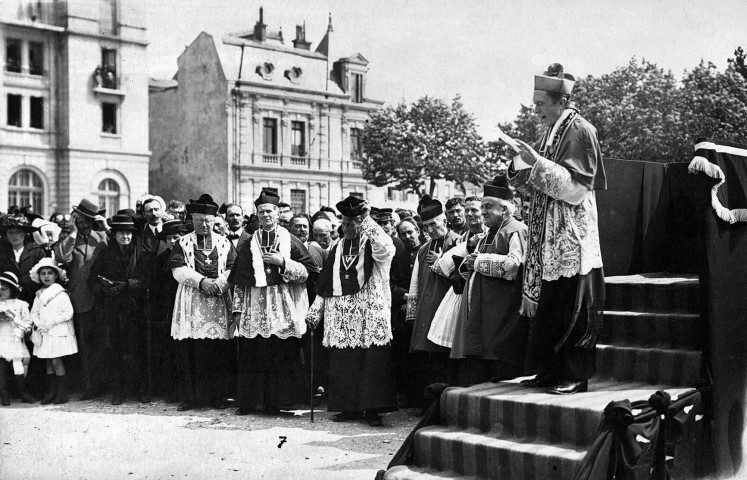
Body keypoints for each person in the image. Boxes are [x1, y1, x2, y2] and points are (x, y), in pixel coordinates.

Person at [510, 63, 607, 395]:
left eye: (540, 104)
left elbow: (577, 188)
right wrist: (520, 166)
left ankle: (574, 374)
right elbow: (535, 183)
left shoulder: (581, 131)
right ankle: (548, 370)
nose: (536, 111)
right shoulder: (548, 131)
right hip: (543, 235)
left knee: (571, 308)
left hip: (570, 236)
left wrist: (537, 164)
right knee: (550, 307)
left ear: (559, 101)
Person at [306, 196, 397, 427]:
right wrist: (315, 311)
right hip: (341, 312)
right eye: (345, 223)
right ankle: (348, 408)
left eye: (353, 222)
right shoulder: (337, 247)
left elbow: (387, 249)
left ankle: (373, 410)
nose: (348, 227)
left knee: (371, 361)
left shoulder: (372, 243)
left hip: (369, 309)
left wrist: (366, 219)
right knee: (345, 362)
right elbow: (325, 283)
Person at [229, 190, 314, 415]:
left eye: (269, 211)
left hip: (282, 303)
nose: (266, 215)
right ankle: (249, 401)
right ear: (256, 215)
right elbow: (239, 280)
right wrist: (237, 309)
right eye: (261, 212)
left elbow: (308, 271)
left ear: (277, 214)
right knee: (253, 352)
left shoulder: (290, 239)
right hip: (254, 304)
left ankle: (278, 402)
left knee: (279, 352)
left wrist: (283, 262)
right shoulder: (248, 242)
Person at [444, 178, 529, 386]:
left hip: (503, 308)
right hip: (483, 308)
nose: (483, 212)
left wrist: (478, 261)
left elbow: (515, 265)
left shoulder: (516, 229)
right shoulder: (487, 233)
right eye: (482, 207)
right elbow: (473, 264)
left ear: (505, 209)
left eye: (488, 207)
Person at [169, 194, 236, 411]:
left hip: (218, 301)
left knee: (217, 351)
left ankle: (217, 396)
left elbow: (232, 268)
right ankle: (190, 397)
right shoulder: (183, 242)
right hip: (192, 301)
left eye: (208, 221)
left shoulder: (225, 243)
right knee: (190, 350)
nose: (204, 225)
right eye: (199, 221)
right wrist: (201, 281)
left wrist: (221, 284)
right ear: (192, 220)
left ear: (214, 220)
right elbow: (177, 269)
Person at [88, 213, 151, 405]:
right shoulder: (106, 255)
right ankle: (118, 391)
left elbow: (147, 280)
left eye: (128, 233)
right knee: (115, 350)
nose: (125, 237)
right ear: (114, 235)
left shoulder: (140, 254)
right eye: (121, 233)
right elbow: (91, 280)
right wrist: (104, 289)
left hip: (135, 309)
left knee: (138, 350)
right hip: (113, 309)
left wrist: (127, 285)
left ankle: (141, 391)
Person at [52, 199, 109, 400]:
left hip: (101, 297)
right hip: (79, 298)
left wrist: (107, 227)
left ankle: (103, 384)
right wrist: (73, 232)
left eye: (88, 220)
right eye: (81, 220)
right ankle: (88, 386)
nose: (84, 224)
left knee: (102, 343)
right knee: (84, 345)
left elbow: (122, 250)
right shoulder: (71, 239)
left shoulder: (102, 237)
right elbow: (60, 256)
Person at [406, 195, 461, 396]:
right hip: (427, 309)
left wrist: (443, 262)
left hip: (449, 308)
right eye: (425, 226)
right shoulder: (423, 249)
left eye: (433, 224)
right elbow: (415, 283)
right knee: (429, 359)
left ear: (444, 220)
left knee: (447, 358)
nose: (429, 230)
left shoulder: (458, 242)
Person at [428, 195, 487, 352]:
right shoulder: (463, 238)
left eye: (474, 210)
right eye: (467, 210)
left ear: (484, 211)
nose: (468, 214)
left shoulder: (490, 234)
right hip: (461, 293)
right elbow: (440, 266)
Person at [29, 258, 77, 405]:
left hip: (57, 331)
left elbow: (68, 312)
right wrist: (39, 323)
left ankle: (62, 393)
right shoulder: (38, 294)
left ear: (56, 276)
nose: (46, 276)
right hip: (45, 333)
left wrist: (51, 322)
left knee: (56, 360)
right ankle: (52, 391)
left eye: (50, 273)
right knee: (48, 361)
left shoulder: (60, 293)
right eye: (43, 273)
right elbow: (34, 313)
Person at [0, 272, 34, 405]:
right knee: (1, 367)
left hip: (15, 339)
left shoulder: (21, 304)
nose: (0, 292)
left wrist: (18, 324)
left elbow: (28, 322)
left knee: (18, 365)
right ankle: (3, 394)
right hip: (1, 338)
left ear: (12, 289)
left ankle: (23, 392)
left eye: (4, 289)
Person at [0, 213, 47, 306]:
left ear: (25, 233)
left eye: (18, 232)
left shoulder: (37, 252)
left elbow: (44, 277)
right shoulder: (2, 253)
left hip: (33, 300)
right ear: (6, 234)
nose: (14, 236)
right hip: (8, 302)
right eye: (11, 232)